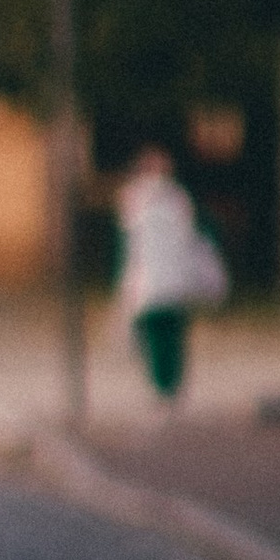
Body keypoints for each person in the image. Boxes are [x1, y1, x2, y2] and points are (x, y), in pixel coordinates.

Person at [114, 146, 229, 404]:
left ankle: (161, 385)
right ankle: (170, 385)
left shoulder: (135, 198)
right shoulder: (178, 198)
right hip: (175, 279)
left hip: (150, 280)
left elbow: (126, 243)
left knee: (155, 335)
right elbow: (198, 234)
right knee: (172, 335)